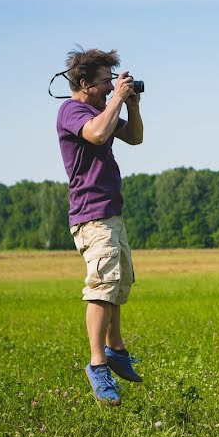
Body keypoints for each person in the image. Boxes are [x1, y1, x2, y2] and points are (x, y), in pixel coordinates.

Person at [55, 47, 144, 405]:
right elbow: (95, 134)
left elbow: (135, 137)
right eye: (106, 81)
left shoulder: (101, 108)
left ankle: (116, 349)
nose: (112, 87)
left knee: (119, 283)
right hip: (91, 213)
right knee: (102, 285)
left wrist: (132, 106)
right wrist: (117, 102)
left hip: (111, 212)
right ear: (84, 82)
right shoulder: (72, 110)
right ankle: (97, 364)